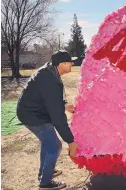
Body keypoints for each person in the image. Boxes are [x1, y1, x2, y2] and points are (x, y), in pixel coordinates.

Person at [17, 50, 78, 190]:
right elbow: (58, 118)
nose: (72, 64)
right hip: (32, 115)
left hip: (33, 111)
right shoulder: (50, 80)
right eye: (70, 62)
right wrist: (71, 141)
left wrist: (63, 104)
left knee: (48, 143)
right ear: (62, 64)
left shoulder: (50, 72)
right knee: (55, 146)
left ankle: (45, 172)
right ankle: (45, 183)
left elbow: (47, 97)